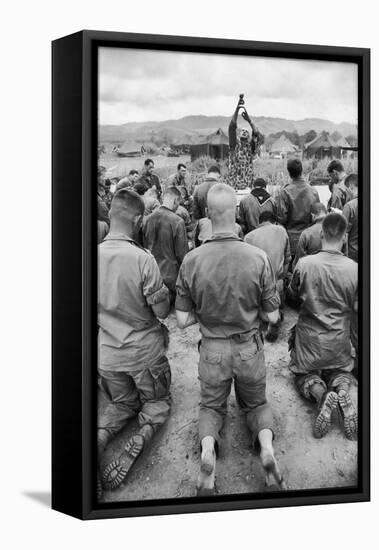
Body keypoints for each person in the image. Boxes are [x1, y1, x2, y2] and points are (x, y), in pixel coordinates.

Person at [175, 183, 285, 495]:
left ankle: (208, 452)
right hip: (248, 348)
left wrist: (206, 313)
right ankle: (267, 451)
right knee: (256, 404)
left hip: (212, 351)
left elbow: (182, 320)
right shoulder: (258, 257)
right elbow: (273, 316)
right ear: (236, 213)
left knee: (211, 407)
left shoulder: (192, 260)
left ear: (208, 215)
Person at [97, 189, 172, 497]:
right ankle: (144, 431)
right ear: (138, 219)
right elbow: (161, 311)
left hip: (107, 358)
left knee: (121, 403)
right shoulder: (143, 259)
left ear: (111, 215)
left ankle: (100, 438)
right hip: (144, 355)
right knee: (157, 402)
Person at [288, 213, 358, 440]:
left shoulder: (305, 264)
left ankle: (321, 396)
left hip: (310, 341)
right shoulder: (355, 269)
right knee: (340, 372)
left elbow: (292, 296)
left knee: (302, 374)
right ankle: (343, 393)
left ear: (321, 234)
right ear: (344, 237)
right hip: (339, 341)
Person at [245, 211, 291, 342]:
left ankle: (266, 317)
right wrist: (282, 278)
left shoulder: (249, 237)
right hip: (277, 284)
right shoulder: (282, 231)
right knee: (276, 299)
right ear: (274, 221)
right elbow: (288, 259)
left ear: (259, 223)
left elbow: (246, 266)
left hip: (257, 285)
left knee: (258, 308)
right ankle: (274, 316)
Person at [143, 186, 189, 304]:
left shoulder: (147, 220)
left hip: (151, 276)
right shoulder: (177, 221)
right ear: (175, 201)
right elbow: (182, 255)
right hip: (171, 279)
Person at [276, 158, 320, 261]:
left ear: (289, 173)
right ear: (301, 170)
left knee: (292, 272)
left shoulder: (285, 192)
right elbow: (318, 215)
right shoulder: (313, 191)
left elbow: (282, 218)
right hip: (311, 238)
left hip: (292, 240)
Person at [227, 97, 264, 190]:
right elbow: (232, 127)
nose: (243, 141)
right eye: (242, 139)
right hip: (234, 187)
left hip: (248, 187)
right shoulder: (234, 146)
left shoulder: (250, 147)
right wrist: (237, 108)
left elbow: (256, 134)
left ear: (248, 139)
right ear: (239, 138)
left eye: (245, 139)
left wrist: (249, 120)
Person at [342, 173, 358, 262]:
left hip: (353, 255)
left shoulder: (349, 206)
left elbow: (342, 234)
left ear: (351, 186)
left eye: (346, 189)